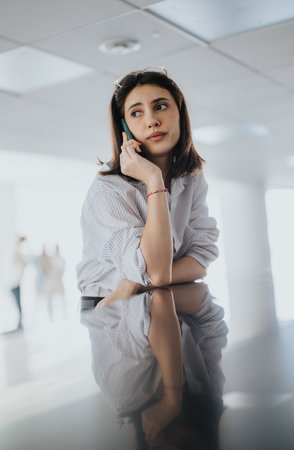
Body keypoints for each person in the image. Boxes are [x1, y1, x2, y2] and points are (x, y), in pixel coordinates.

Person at [76, 66, 220, 442]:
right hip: (108, 309)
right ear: (124, 130)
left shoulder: (191, 178)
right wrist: (153, 181)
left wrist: (140, 282)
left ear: (179, 113)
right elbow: (156, 271)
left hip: (144, 296)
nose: (151, 120)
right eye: (136, 113)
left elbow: (202, 256)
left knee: (158, 285)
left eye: (161, 106)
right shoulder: (108, 190)